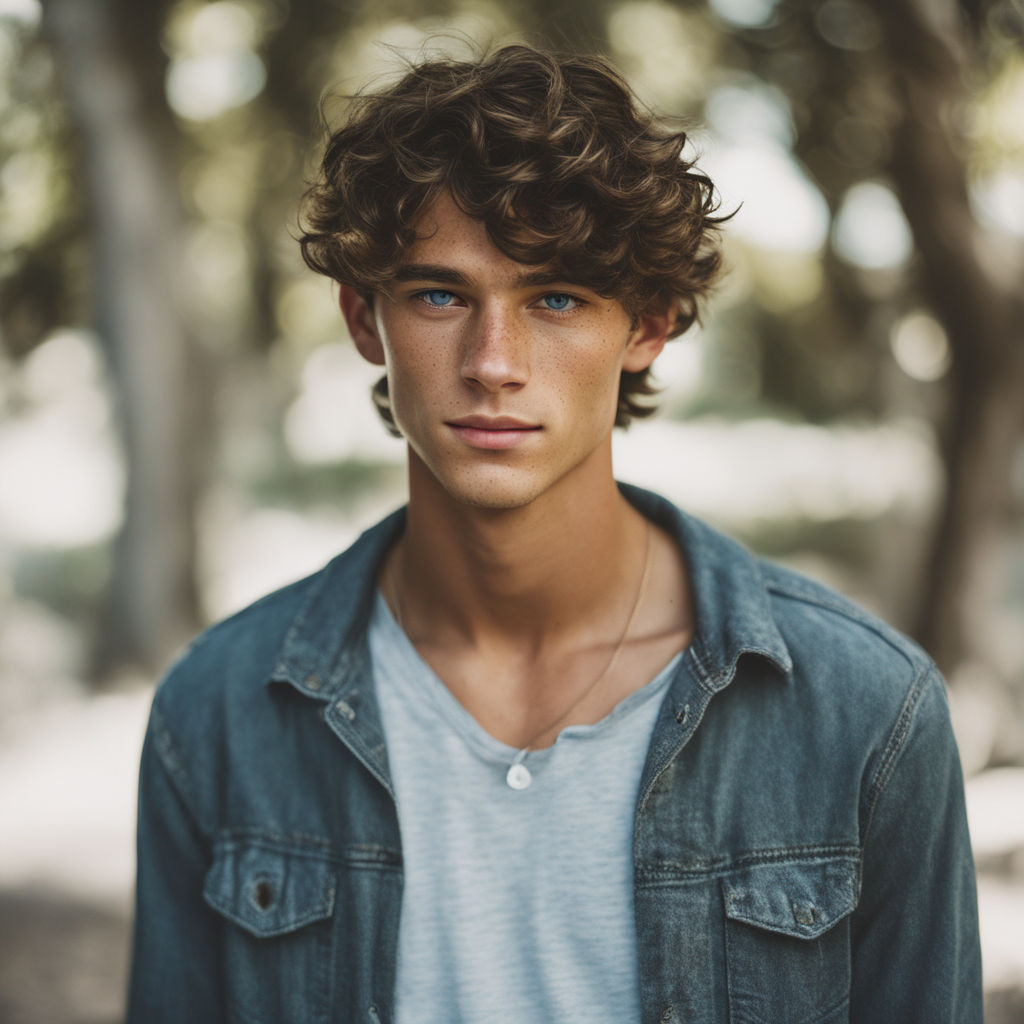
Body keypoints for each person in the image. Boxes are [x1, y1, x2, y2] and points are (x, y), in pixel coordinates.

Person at [127, 44, 982, 1023]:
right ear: (365, 320)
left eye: (557, 297)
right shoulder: (217, 717)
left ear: (649, 325)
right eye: (440, 294)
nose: (494, 362)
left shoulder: (868, 716)